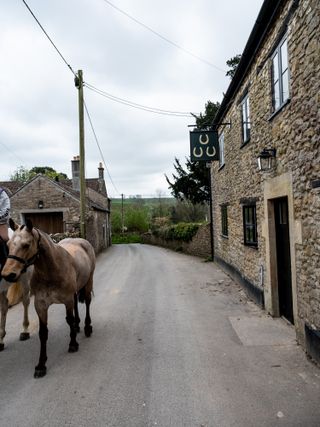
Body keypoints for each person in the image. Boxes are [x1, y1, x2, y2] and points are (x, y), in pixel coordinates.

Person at [0, 187, 10, 274]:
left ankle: (8, 261)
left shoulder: (2, 193)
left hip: (0, 221)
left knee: (4, 239)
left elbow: (5, 210)